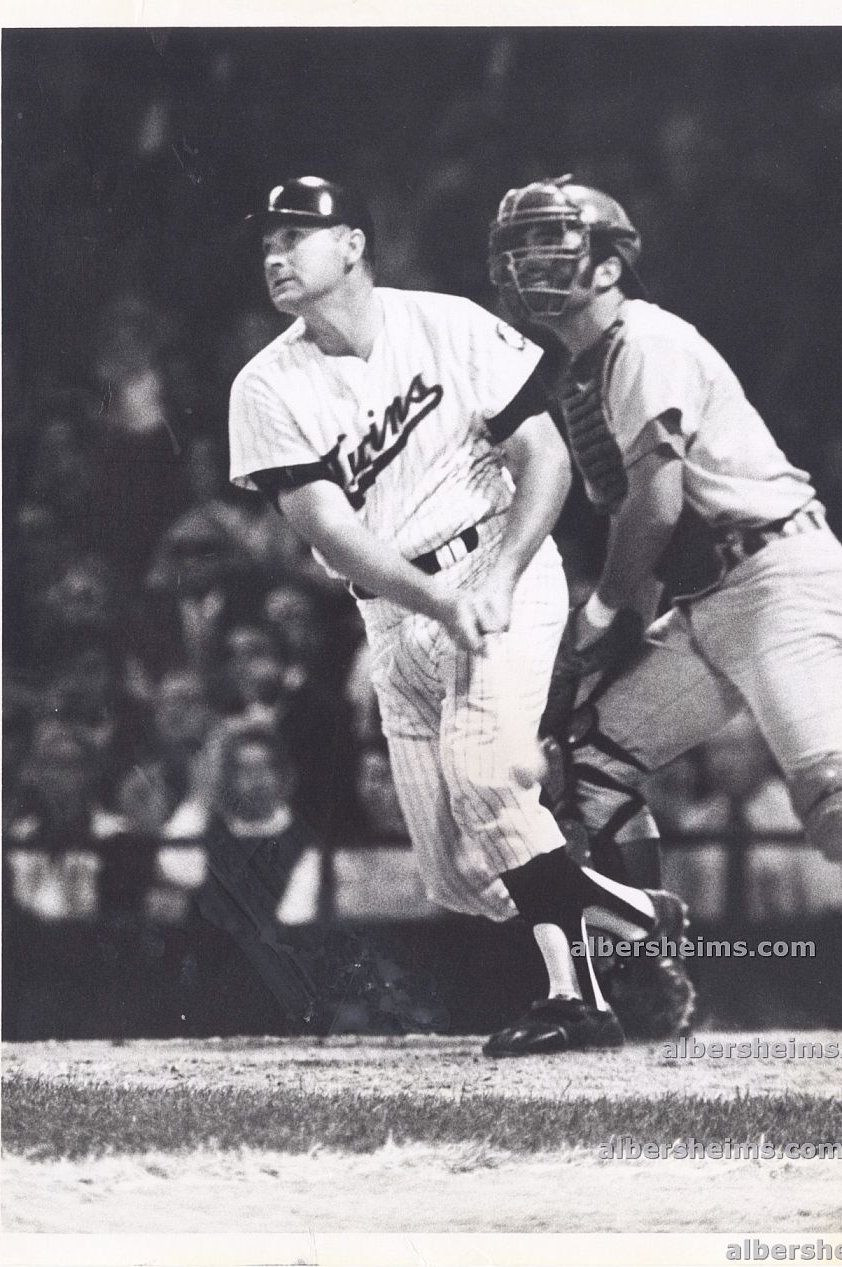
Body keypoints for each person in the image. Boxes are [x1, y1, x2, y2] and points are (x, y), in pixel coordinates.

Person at [227, 174, 687, 1056]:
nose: (277, 255)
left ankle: (575, 998)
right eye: (268, 244)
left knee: (485, 776)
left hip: (494, 563)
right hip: (399, 612)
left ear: (353, 245)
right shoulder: (265, 384)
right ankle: (632, 906)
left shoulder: (446, 323)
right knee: (459, 873)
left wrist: (504, 574)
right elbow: (327, 527)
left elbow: (542, 453)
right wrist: (439, 602)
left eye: (296, 236)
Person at [487, 175, 842, 917]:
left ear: (608, 265)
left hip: (779, 579)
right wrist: (581, 659)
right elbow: (635, 537)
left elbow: (657, 509)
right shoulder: (584, 378)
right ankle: (648, 976)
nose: (529, 264)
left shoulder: (645, 338)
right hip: (711, 603)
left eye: (551, 244)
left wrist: (599, 616)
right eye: (519, 249)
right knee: (585, 768)